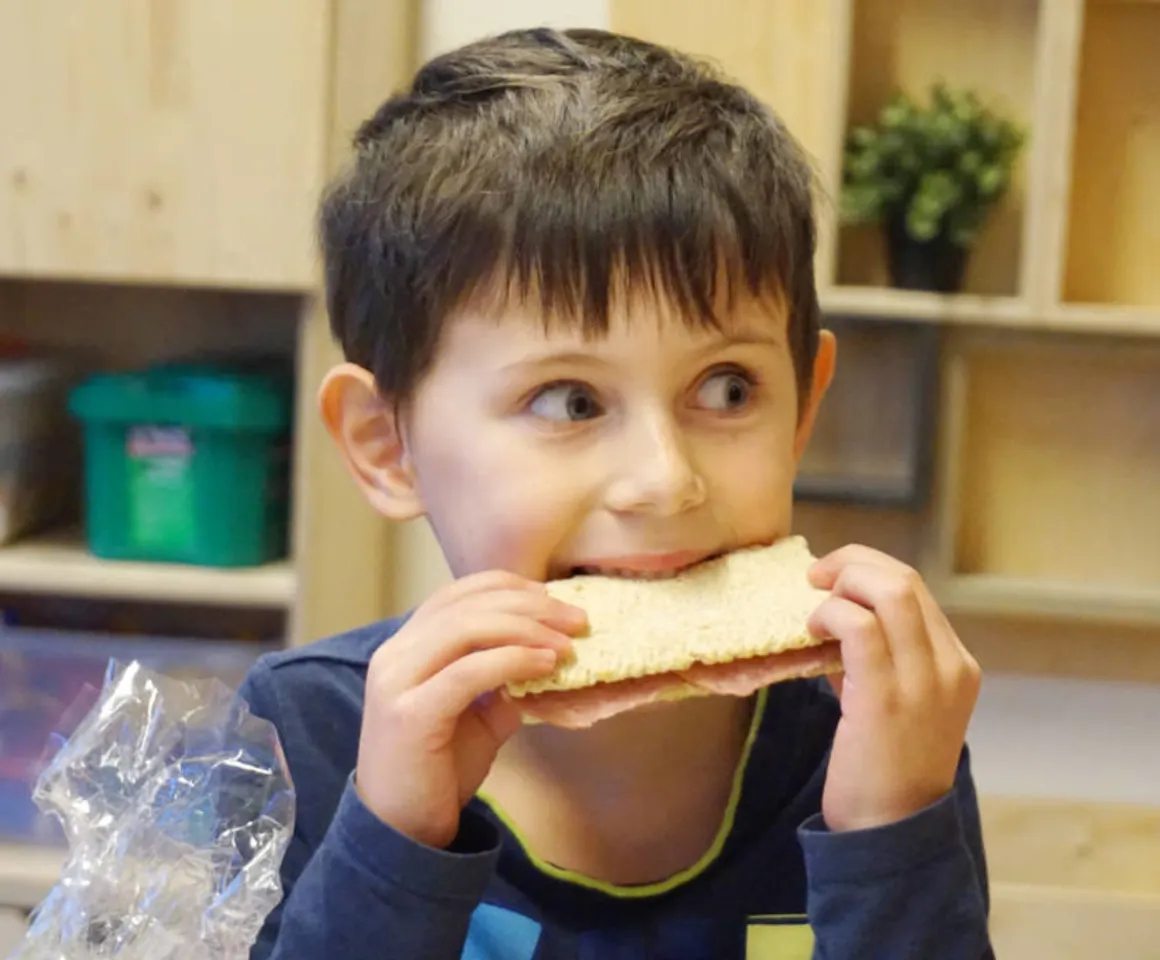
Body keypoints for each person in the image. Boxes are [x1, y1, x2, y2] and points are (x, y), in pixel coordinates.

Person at [241, 27, 991, 959]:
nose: (665, 481)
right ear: (386, 445)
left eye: (728, 389)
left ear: (805, 406)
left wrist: (891, 835)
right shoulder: (307, 733)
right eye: (570, 401)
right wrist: (393, 844)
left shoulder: (877, 731)